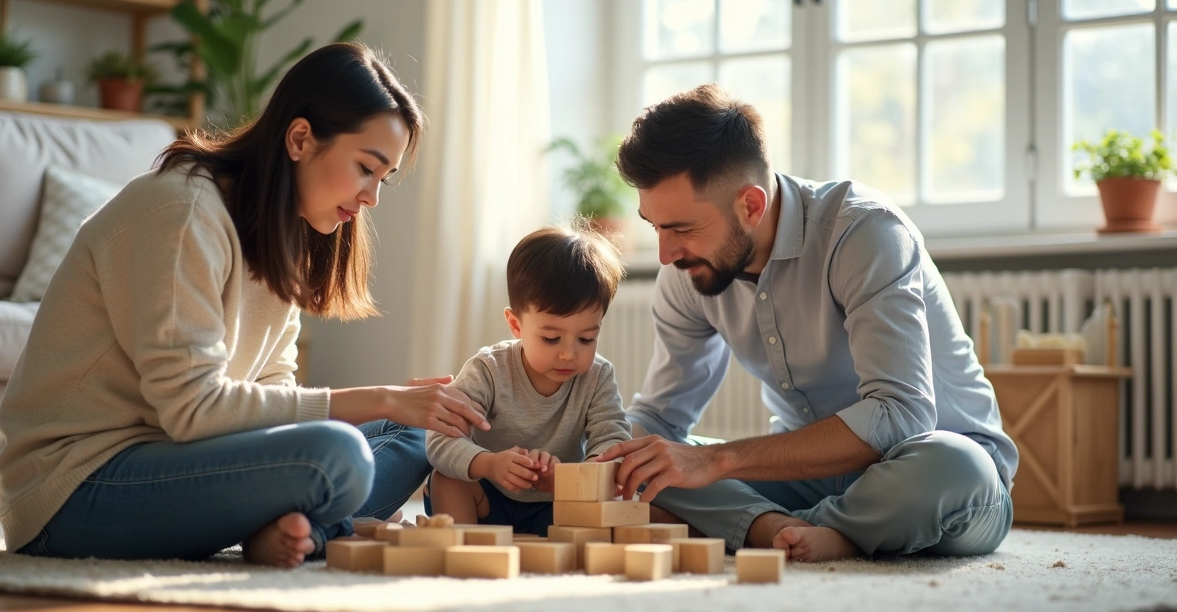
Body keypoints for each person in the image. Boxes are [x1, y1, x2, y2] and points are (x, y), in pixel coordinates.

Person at [0, 42, 489, 568]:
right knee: (337, 457)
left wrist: (392, 410)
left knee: (420, 431)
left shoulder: (285, 234)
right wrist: (377, 398)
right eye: (367, 168)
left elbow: (273, 384)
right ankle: (313, 528)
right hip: (75, 487)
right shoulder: (183, 212)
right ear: (300, 138)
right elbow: (191, 409)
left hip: (179, 459)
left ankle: (293, 528)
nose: (372, 197)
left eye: (383, 178)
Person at [595, 84, 1019, 563]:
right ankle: (791, 530)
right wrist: (595, 457)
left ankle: (783, 528)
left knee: (954, 464)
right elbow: (661, 418)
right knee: (636, 457)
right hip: (801, 481)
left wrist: (718, 460)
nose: (665, 254)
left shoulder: (866, 233)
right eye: (655, 226)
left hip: (928, 474)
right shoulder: (690, 270)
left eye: (682, 229)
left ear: (750, 206)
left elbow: (902, 416)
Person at [426, 223, 631, 536]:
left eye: (586, 339)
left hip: (554, 504)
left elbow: (613, 445)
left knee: (607, 507)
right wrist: (489, 464)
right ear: (515, 324)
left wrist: (568, 478)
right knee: (447, 479)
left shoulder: (598, 377)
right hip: (486, 500)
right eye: (551, 338)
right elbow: (440, 439)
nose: (568, 354)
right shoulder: (488, 369)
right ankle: (464, 553)